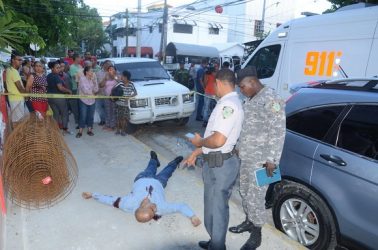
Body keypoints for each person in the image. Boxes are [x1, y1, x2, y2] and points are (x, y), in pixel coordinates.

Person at [183, 69, 244, 250]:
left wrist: (198, 141)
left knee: (218, 208)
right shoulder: (225, 103)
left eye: (214, 84)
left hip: (222, 165)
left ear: (219, 83)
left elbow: (218, 140)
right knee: (210, 204)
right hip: (214, 162)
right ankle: (214, 241)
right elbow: (214, 138)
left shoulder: (229, 106)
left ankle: (218, 246)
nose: (212, 88)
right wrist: (197, 152)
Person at [228, 66, 286, 249]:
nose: (241, 90)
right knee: (245, 192)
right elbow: (247, 127)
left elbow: (278, 131)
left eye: (242, 87)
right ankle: (249, 221)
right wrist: (238, 147)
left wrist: (273, 160)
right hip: (247, 157)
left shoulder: (271, 98)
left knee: (257, 197)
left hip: (263, 162)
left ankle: (257, 233)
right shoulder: (251, 98)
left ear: (252, 82)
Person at [82, 151, 201, 227]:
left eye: (152, 210)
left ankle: (154, 159)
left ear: (142, 206)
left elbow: (110, 200)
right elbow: (181, 206)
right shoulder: (161, 208)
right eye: (154, 212)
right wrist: (193, 216)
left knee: (150, 167)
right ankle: (175, 162)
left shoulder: (127, 204)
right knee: (167, 172)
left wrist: (93, 194)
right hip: (159, 183)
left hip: (142, 178)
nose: (156, 210)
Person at [46, 61, 72, 133]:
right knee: (64, 113)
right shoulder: (56, 76)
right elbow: (60, 88)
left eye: (59, 67)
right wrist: (68, 91)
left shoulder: (48, 76)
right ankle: (65, 129)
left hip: (50, 98)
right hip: (58, 98)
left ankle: (55, 130)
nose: (59, 69)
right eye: (57, 68)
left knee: (56, 114)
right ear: (52, 68)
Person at [6, 50, 28, 127]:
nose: (21, 62)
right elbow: (20, 88)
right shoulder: (13, 71)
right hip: (16, 100)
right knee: (18, 123)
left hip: (15, 99)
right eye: (19, 60)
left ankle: (16, 137)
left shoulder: (10, 70)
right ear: (13, 60)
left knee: (17, 121)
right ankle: (16, 138)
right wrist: (27, 95)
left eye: (21, 60)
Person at [76, 66, 98, 138]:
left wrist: (95, 82)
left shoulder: (92, 79)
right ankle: (80, 131)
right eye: (91, 71)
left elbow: (96, 90)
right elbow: (85, 90)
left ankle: (89, 130)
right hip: (83, 100)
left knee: (91, 115)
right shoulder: (82, 79)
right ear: (87, 72)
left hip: (92, 100)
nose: (93, 73)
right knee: (83, 115)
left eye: (93, 71)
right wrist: (93, 93)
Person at [113, 70, 137, 136]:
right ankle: (118, 130)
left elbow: (135, 93)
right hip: (118, 103)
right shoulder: (120, 84)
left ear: (126, 77)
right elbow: (113, 90)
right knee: (118, 118)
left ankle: (123, 131)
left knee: (124, 118)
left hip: (125, 105)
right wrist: (116, 96)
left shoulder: (131, 84)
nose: (121, 77)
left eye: (122, 76)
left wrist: (128, 97)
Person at [68, 54, 83, 128]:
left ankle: (81, 120)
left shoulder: (80, 66)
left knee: (80, 106)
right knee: (75, 106)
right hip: (75, 88)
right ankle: (77, 122)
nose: (81, 59)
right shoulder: (72, 67)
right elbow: (74, 77)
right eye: (80, 57)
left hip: (81, 88)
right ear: (76, 58)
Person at [95, 60, 111, 126]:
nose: (108, 66)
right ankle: (103, 120)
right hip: (99, 93)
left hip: (108, 94)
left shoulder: (112, 72)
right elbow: (95, 83)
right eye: (107, 64)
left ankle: (107, 121)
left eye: (110, 64)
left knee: (107, 108)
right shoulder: (98, 73)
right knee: (98, 107)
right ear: (104, 64)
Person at [202, 63, 219, 127]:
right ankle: (207, 121)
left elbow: (205, 83)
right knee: (210, 107)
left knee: (208, 107)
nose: (215, 72)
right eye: (214, 71)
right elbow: (205, 83)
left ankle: (207, 121)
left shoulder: (209, 75)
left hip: (210, 93)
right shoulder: (212, 76)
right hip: (211, 93)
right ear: (212, 71)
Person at [102, 65, 117, 131]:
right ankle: (108, 124)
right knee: (107, 111)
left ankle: (112, 126)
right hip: (106, 96)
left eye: (112, 69)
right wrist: (105, 79)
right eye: (109, 69)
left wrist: (113, 76)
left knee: (113, 111)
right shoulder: (106, 76)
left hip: (114, 97)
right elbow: (101, 85)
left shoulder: (117, 76)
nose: (111, 70)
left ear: (115, 70)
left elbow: (119, 81)